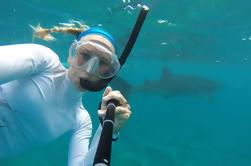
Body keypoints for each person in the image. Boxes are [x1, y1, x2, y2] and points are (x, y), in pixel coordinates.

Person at [0, 22, 132, 166]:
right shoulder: (44, 61)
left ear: (108, 73)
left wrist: (108, 129)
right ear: (72, 54)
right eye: (85, 55)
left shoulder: (81, 120)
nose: (89, 69)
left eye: (102, 62)